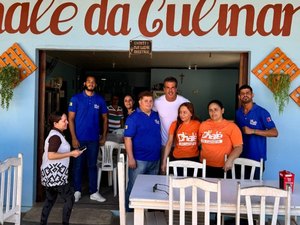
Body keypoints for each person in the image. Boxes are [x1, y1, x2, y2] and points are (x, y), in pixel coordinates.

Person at [68, 75, 108, 203]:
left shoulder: (100, 100)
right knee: (78, 166)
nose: (91, 84)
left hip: (93, 140)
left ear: (95, 85)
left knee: (92, 166)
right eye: (89, 81)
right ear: (85, 83)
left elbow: (105, 119)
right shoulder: (76, 99)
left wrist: (104, 136)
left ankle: (94, 192)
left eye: (93, 82)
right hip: (79, 139)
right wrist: (73, 137)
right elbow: (70, 119)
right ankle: (77, 191)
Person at [40, 111, 82, 225]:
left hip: (49, 173)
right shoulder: (55, 136)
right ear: (55, 123)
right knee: (70, 198)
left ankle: (42, 223)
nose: (67, 122)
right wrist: (71, 153)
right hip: (55, 174)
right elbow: (51, 155)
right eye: (64, 121)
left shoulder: (56, 134)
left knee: (50, 200)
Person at [124, 91, 161, 211]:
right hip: (139, 160)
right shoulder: (133, 117)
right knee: (133, 187)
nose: (149, 103)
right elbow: (127, 138)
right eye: (146, 101)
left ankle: (146, 213)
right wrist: (130, 158)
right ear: (140, 102)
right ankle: (128, 213)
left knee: (151, 189)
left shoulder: (156, 115)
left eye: (151, 101)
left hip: (155, 159)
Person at [236, 84, 278, 179]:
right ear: (239, 97)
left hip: (257, 158)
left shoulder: (262, 112)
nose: (245, 95)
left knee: (254, 188)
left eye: (248, 93)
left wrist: (253, 131)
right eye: (242, 93)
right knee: (240, 187)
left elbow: (275, 132)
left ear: (252, 95)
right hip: (240, 157)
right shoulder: (238, 113)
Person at [199, 100, 243, 178]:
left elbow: (239, 147)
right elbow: (199, 142)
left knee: (223, 189)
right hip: (204, 165)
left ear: (222, 110)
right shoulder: (203, 125)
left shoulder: (231, 126)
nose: (213, 112)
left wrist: (230, 160)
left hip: (223, 166)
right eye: (210, 110)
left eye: (216, 109)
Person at [153, 76, 189, 171]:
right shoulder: (157, 102)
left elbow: (191, 121)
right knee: (163, 170)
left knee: (180, 173)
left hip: (181, 144)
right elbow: (150, 117)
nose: (170, 90)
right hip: (164, 143)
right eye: (168, 87)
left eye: (172, 87)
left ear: (176, 89)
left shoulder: (185, 102)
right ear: (164, 89)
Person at [161, 102, 201, 176]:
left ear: (191, 113)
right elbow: (169, 142)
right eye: (180, 112)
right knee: (177, 182)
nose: (181, 115)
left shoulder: (197, 124)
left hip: (193, 158)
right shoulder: (174, 124)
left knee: (192, 182)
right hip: (177, 158)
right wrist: (164, 161)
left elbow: (200, 140)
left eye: (185, 112)